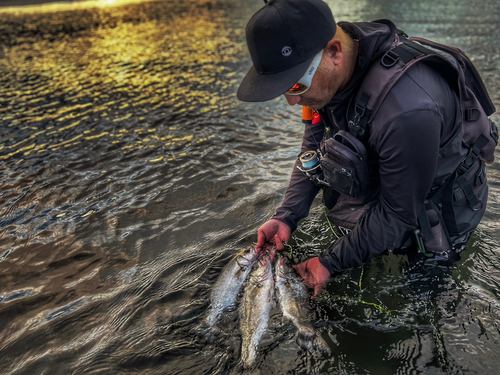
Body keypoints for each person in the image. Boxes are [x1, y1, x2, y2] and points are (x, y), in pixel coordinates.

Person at [237, 0, 495, 296]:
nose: (292, 102)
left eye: (295, 86)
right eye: (284, 89)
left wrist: (330, 262)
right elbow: (312, 148)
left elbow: (399, 214)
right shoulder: (327, 75)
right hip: (392, 183)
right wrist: (287, 215)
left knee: (422, 293)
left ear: (334, 51)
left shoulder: (408, 111)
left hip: (436, 204)